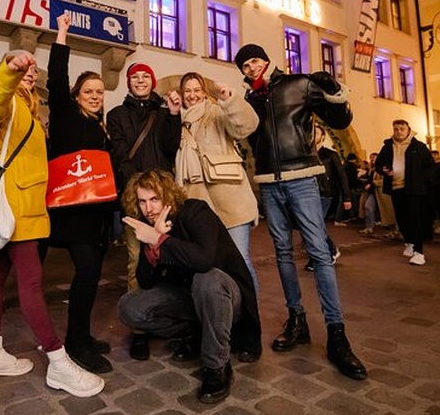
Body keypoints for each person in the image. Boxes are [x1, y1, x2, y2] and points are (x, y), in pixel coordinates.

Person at [0, 47, 104, 397]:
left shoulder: (29, 112)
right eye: (24, 70)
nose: (30, 74)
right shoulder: (9, 102)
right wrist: (8, 70)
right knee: (31, 284)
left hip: (18, 207)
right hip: (18, 209)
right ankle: (59, 363)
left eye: (32, 71)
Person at [236, 43, 366, 380]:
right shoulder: (251, 101)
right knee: (281, 252)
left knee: (320, 254)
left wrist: (334, 90)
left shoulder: (299, 83)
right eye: (245, 66)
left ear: (266, 61)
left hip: (302, 177)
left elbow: (340, 119)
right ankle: (297, 320)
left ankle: (337, 335)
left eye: (255, 61)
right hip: (268, 183)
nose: (251, 68)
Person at [118, 169, 261, 404]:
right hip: (191, 299)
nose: (149, 208)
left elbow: (204, 260)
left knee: (207, 279)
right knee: (130, 306)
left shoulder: (195, 211)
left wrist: (160, 240)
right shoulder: (149, 226)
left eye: (155, 199)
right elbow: (145, 281)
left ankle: (217, 367)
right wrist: (152, 245)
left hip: (226, 299)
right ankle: (195, 331)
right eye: (142, 201)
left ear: (168, 196)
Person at [45, 13, 116, 374]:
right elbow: (56, 78)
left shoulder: (100, 126)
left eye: (99, 93)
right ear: (76, 95)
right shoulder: (65, 115)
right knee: (86, 272)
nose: (94, 96)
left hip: (95, 215)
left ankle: (82, 336)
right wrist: (61, 34)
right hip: (71, 213)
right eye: (88, 91)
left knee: (90, 276)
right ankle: (74, 342)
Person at [107, 62, 181, 360]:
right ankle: (139, 328)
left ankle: (170, 319)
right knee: (137, 259)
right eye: (135, 77)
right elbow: (120, 154)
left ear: (152, 82)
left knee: (170, 255)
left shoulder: (162, 112)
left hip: (163, 196)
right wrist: (138, 190)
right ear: (128, 82)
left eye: (145, 77)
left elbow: (169, 148)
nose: (140, 80)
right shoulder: (116, 115)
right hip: (135, 196)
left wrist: (174, 115)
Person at [175, 72, 259, 288]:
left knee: (240, 261)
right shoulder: (177, 121)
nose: (192, 95)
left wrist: (229, 98)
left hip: (232, 204)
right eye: (187, 91)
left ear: (204, 93)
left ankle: (251, 319)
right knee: (211, 265)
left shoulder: (217, 113)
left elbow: (247, 126)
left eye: (197, 90)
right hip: (199, 207)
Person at [375, 120, 434, 266]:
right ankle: (409, 242)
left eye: (402, 129)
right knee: (401, 217)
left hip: (413, 188)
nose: (399, 131)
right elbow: (378, 165)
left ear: (408, 129)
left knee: (414, 218)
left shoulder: (418, 147)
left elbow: (430, 166)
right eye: (396, 129)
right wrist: (383, 170)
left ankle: (419, 252)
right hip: (395, 187)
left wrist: (420, 180)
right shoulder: (387, 147)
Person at [307, 125, 349, 270]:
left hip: (325, 194)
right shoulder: (307, 154)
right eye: (311, 132)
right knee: (310, 225)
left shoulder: (330, 155)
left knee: (315, 225)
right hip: (307, 194)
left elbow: (341, 176)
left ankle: (325, 254)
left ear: (323, 137)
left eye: (317, 133)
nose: (313, 135)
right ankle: (327, 251)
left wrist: (347, 197)